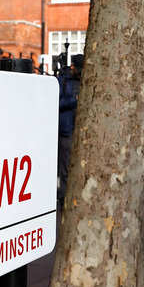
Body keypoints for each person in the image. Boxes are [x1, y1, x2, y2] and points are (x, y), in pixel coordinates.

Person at [57, 54, 83, 210]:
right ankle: (64, 200)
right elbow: (57, 102)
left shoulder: (81, 80)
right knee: (65, 169)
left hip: (79, 130)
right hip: (67, 131)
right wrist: (76, 99)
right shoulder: (63, 81)